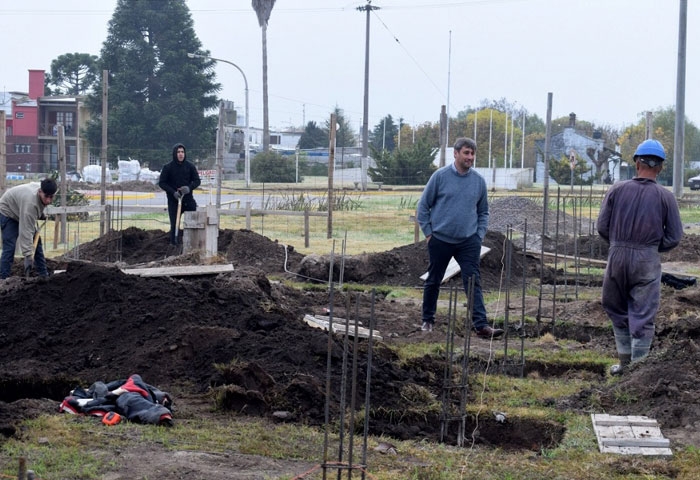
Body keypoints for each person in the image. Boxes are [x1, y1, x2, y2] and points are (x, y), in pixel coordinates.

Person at [597, 139, 683, 375]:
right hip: (647, 259)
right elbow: (675, 236)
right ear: (661, 167)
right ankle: (637, 369)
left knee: (614, 306)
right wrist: (652, 247)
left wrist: (618, 243)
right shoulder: (666, 197)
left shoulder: (617, 189)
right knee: (643, 312)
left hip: (617, 255)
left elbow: (602, 227)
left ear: (637, 163)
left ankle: (625, 364)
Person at [416, 137, 504, 338]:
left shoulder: (478, 181)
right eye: (466, 153)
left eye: (472, 154)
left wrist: (479, 235)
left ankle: (481, 325)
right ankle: (427, 321)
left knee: (473, 280)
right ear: (455, 154)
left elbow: (483, 212)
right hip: (441, 239)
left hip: (468, 241)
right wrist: (429, 234)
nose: (470, 157)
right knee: (434, 280)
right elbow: (423, 207)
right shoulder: (440, 177)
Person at [0, 178, 57, 279]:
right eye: (46, 196)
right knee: (10, 246)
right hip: (7, 210)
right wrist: (28, 256)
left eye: (51, 197)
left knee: (37, 242)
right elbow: (26, 231)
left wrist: (40, 214)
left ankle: (44, 275)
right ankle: (3, 280)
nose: (48, 200)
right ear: (40, 191)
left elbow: (37, 207)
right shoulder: (30, 204)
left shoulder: (41, 191)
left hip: (20, 208)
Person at [158, 143, 201, 245]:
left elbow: (197, 181)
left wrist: (189, 188)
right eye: (178, 152)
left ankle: (192, 242)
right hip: (174, 201)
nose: (180, 154)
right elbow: (162, 183)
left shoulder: (190, 166)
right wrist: (173, 192)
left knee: (192, 222)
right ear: (174, 153)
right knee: (174, 224)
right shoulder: (168, 167)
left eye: (182, 152)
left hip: (188, 200)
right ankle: (174, 243)